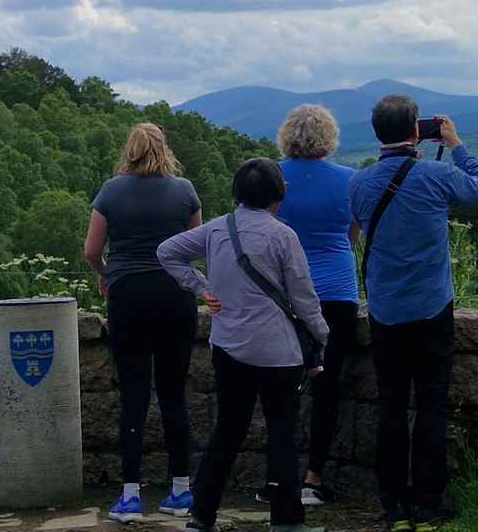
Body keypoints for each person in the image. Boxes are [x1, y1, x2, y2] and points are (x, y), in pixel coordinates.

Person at [157, 158, 330, 532]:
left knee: (227, 431)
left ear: (236, 192)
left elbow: (166, 251)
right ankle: (286, 520)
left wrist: (201, 287)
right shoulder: (283, 236)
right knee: (282, 432)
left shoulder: (217, 229)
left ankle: (202, 514)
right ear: (278, 194)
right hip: (278, 352)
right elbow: (303, 298)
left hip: (229, 348)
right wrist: (321, 334)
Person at [348, 96, 478, 530]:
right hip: (432, 306)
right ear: (417, 131)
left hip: (385, 309)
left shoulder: (359, 183)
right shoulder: (437, 174)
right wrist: (456, 145)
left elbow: (355, 224)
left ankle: (393, 505)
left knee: (391, 407)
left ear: (376, 133)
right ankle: (429, 502)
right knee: (431, 405)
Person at [84, 123, 204, 522]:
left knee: (133, 396)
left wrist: (106, 273)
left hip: (128, 296)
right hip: (175, 297)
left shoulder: (111, 191)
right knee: (174, 395)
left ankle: (131, 495)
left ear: (130, 150)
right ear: (164, 149)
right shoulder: (185, 191)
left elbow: (91, 250)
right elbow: (194, 248)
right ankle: (181, 490)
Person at [271, 105, 359, 509]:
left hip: (284, 291)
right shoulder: (349, 180)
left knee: (279, 384)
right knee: (328, 384)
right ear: (330, 137)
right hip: (336, 290)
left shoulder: (273, 177)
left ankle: (279, 475)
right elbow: (353, 234)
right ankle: (314, 477)